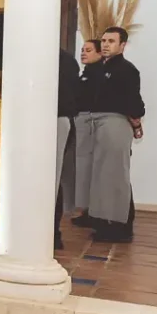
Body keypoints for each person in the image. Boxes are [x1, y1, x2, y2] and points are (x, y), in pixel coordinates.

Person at [87, 27, 143, 243]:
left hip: (116, 124)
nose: (106, 44)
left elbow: (134, 103)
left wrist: (136, 120)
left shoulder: (127, 70)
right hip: (100, 123)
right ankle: (105, 223)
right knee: (103, 176)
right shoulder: (99, 68)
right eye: (103, 40)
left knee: (116, 176)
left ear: (122, 45)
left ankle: (121, 227)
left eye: (111, 41)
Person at [71, 39, 103, 228]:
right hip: (81, 120)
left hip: (91, 122)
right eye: (82, 50)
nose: (83, 53)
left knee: (89, 166)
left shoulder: (99, 75)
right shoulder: (86, 73)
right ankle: (85, 209)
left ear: (100, 53)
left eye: (88, 50)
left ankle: (93, 211)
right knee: (82, 166)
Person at [54, 48, 81, 250]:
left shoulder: (64, 61)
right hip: (56, 119)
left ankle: (52, 233)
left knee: (53, 180)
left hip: (57, 118)